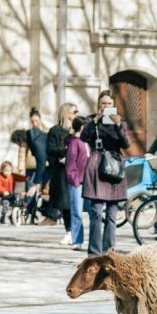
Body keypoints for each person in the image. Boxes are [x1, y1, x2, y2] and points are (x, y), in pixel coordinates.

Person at [81, 90, 131, 255]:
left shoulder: (120, 122)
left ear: (114, 106)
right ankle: (94, 253)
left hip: (114, 167)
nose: (106, 106)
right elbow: (83, 137)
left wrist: (118, 126)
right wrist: (95, 120)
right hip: (96, 165)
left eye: (109, 104)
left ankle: (109, 251)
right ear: (98, 104)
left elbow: (126, 144)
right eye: (103, 103)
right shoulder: (91, 120)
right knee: (95, 212)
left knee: (111, 214)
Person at [47, 103, 80, 243]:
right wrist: (65, 152)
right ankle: (69, 231)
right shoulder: (55, 131)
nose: (77, 114)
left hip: (77, 170)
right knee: (66, 203)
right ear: (67, 113)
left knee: (76, 202)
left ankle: (76, 232)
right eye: (74, 111)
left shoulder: (78, 130)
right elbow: (50, 149)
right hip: (61, 170)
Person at [65, 116, 89, 250]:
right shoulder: (75, 142)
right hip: (77, 182)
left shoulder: (86, 141)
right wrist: (74, 179)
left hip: (89, 181)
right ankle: (77, 239)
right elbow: (70, 163)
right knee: (77, 212)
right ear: (81, 127)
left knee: (92, 212)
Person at [28, 108, 52, 225]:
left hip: (48, 165)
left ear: (40, 120)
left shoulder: (46, 133)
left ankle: (48, 214)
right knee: (34, 189)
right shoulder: (31, 135)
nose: (35, 124)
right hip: (37, 164)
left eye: (37, 121)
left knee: (46, 190)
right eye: (32, 121)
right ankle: (31, 212)